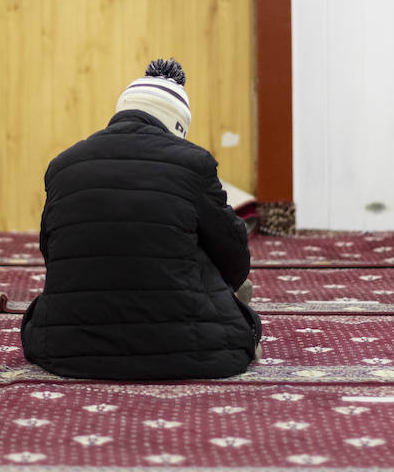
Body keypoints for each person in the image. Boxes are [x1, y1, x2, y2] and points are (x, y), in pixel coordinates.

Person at [20, 58, 260, 380]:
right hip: (193, 351)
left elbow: (52, 253)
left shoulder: (63, 165)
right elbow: (235, 262)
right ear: (177, 127)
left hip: (66, 348)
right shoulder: (194, 164)